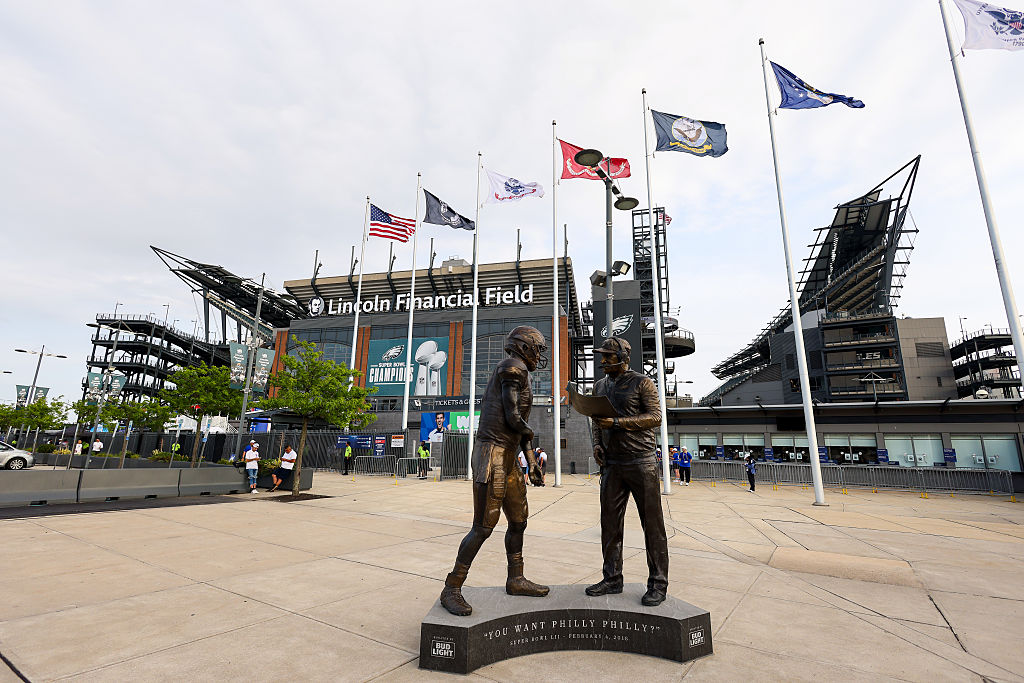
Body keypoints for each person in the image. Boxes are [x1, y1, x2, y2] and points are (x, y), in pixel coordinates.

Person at [439, 326, 549, 617]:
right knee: (484, 526)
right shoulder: (512, 368)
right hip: (493, 454)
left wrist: (531, 459)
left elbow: (519, 425)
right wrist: (530, 435)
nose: (539, 355)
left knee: (519, 520)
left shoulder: (520, 370)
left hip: (508, 455)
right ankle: (452, 587)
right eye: (536, 348)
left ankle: (516, 578)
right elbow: (514, 418)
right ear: (523, 347)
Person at [587, 336, 669, 607]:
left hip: (641, 462)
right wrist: (597, 444)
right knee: (609, 525)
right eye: (602, 356)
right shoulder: (600, 384)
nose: (602, 361)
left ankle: (658, 583)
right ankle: (612, 579)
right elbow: (596, 420)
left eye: (608, 357)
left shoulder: (642, 382)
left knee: (652, 526)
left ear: (623, 357)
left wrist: (618, 423)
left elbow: (656, 417)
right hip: (611, 464)